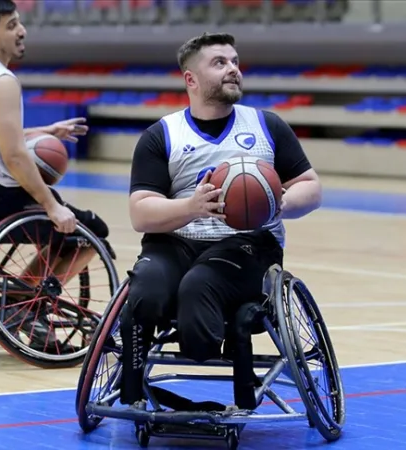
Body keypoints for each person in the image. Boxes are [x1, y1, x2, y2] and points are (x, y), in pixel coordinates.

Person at [120, 32, 322, 412]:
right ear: (190, 80)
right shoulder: (161, 135)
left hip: (248, 244)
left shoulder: (267, 126)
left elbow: (311, 188)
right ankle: (130, 393)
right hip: (176, 242)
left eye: (235, 61)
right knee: (144, 290)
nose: (233, 69)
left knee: (200, 285)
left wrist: (280, 203)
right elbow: (140, 212)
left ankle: (207, 354)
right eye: (220, 63)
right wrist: (193, 207)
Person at [0, 0, 109, 350]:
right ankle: (21, 306)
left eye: (20, 22)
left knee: (67, 230)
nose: (22, 31)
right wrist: (51, 206)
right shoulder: (1, 81)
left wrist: (46, 131)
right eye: (11, 25)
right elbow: (14, 155)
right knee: (91, 232)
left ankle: (16, 302)